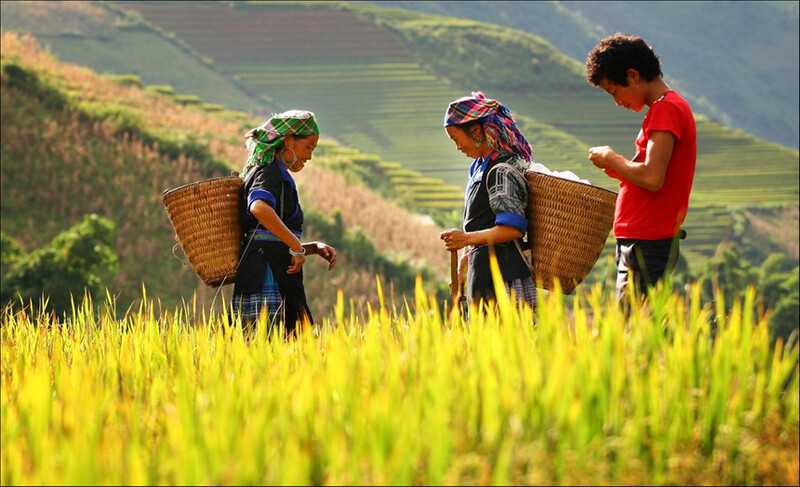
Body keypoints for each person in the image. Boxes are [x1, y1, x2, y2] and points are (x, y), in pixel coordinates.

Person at [585, 33, 697, 308]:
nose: (618, 102)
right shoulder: (663, 109)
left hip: (647, 240)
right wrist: (615, 166)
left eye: (614, 91)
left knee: (634, 327)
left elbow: (651, 177)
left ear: (633, 76)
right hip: (641, 239)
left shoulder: (666, 108)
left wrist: (612, 159)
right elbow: (648, 172)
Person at [231, 110, 337, 336]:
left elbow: (270, 236)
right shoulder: (268, 171)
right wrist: (296, 247)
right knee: (272, 345)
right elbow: (258, 207)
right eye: (308, 147)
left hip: (271, 264)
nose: (309, 156)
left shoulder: (277, 174)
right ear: (289, 140)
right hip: (265, 272)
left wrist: (310, 248)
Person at [440, 91, 537, 312]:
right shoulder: (479, 168)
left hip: (505, 277)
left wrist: (465, 239)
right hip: (482, 271)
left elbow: (512, 229)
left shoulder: (501, 171)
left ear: (475, 131)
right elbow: (480, 223)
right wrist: (463, 267)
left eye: (457, 139)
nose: (458, 147)